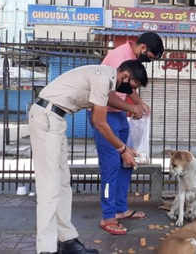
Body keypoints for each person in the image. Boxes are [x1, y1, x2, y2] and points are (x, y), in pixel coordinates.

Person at [29, 60, 147, 254]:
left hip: (55, 119)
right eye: (133, 86)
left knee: (63, 184)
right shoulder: (103, 78)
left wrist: (131, 108)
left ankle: (67, 241)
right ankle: (46, 249)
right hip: (46, 118)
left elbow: (108, 100)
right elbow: (99, 122)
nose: (131, 92)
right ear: (125, 76)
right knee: (49, 187)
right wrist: (123, 149)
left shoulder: (105, 78)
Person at [92, 32, 164, 235]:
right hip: (106, 117)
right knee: (110, 167)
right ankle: (108, 216)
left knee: (127, 162)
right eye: (150, 57)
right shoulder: (118, 57)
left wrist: (137, 103)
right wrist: (131, 107)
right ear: (143, 49)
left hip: (120, 116)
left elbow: (127, 87)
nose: (148, 61)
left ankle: (121, 209)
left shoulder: (130, 59)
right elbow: (106, 96)